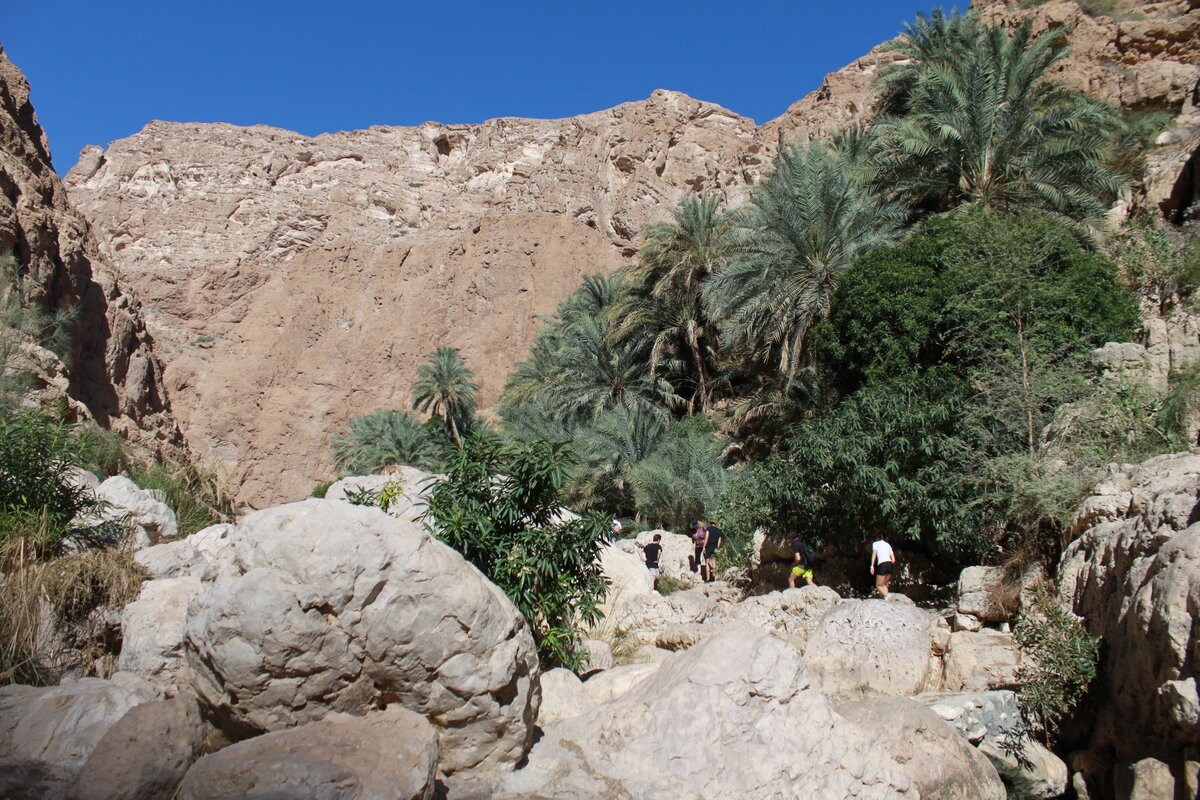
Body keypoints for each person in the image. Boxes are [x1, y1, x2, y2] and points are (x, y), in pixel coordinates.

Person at [870, 530, 896, 597]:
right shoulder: (888, 545)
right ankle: (887, 599)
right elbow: (893, 559)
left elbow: (874, 554)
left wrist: (872, 566)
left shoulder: (875, 543)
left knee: (878, 586)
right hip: (890, 565)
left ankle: (887, 597)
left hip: (882, 564)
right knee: (883, 584)